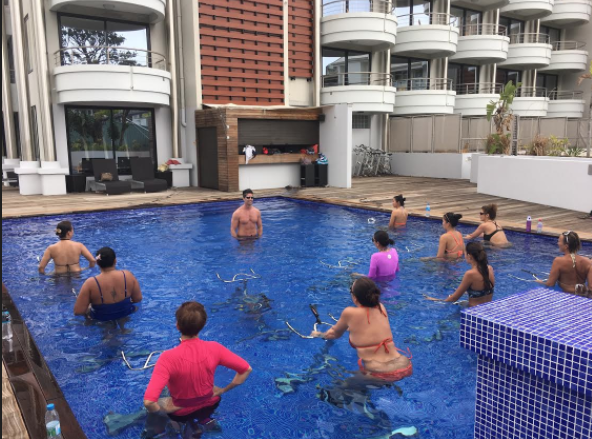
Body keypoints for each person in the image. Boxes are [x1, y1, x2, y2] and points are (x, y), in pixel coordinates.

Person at [144, 302, 252, 433]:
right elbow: (246, 369)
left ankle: (171, 427)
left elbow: (149, 402)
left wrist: (164, 411)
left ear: (177, 326)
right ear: (203, 325)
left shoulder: (167, 358)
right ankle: (204, 420)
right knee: (201, 408)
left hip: (181, 411)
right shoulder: (215, 348)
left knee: (156, 403)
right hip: (211, 402)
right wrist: (223, 390)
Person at [311, 278, 412, 382]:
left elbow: (332, 335)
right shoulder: (380, 307)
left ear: (354, 297)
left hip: (379, 372)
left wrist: (318, 334)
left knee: (336, 390)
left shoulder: (349, 313)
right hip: (404, 365)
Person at [74, 247, 142, 321]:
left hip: (101, 318)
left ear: (97, 263)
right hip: (125, 313)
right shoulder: (127, 275)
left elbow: (78, 311)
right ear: (115, 260)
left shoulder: (90, 283)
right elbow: (138, 299)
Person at [425, 242, 495, 307]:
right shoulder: (490, 268)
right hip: (487, 309)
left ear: (469, 256)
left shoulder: (470, 274)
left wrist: (436, 300)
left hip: (473, 312)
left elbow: (454, 298)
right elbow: (483, 290)